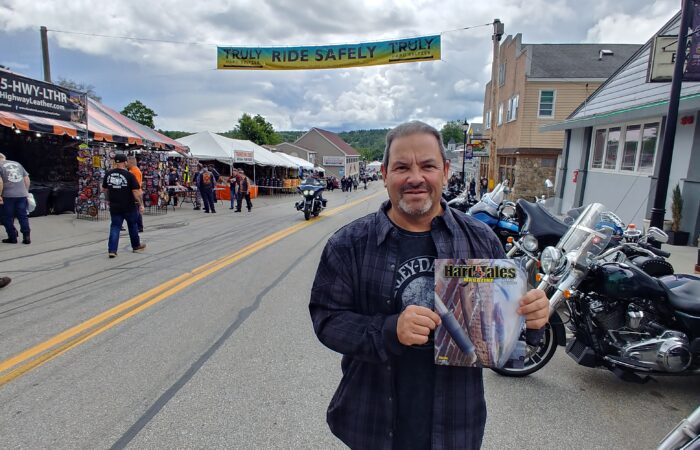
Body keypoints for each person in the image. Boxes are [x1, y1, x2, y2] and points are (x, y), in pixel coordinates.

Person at [309, 121, 549, 450]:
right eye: (402, 167)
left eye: (427, 166)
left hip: (455, 427)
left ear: (446, 171)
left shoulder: (480, 241)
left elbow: (508, 344)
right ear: (384, 174)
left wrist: (532, 321)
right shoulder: (349, 245)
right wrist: (389, 330)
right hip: (372, 425)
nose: (415, 178)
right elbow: (327, 319)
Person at [102, 154, 146, 258]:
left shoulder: (108, 174)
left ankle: (112, 250)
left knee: (115, 227)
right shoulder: (129, 175)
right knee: (132, 225)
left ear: (116, 162)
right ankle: (136, 246)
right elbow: (136, 192)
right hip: (129, 206)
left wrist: (109, 199)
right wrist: (141, 204)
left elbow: (104, 189)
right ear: (125, 162)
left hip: (115, 206)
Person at [0, 153, 31, 244]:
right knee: (23, 216)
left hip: (7, 195)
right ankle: (27, 237)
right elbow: (26, 179)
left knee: (7, 217)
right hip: (22, 195)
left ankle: (12, 237)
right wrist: (26, 191)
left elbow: (0, 182)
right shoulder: (17, 164)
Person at [126, 156, 144, 232]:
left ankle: (139, 227)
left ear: (131, 162)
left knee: (136, 211)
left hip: (135, 193)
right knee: (136, 210)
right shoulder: (133, 170)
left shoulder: (134, 171)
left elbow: (135, 185)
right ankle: (138, 226)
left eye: (127, 162)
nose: (126, 163)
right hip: (136, 193)